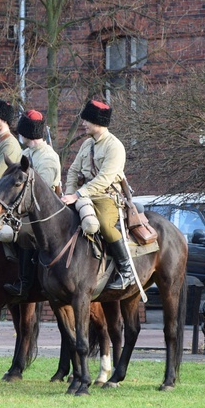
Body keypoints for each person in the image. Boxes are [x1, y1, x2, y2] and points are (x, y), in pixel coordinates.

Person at [62, 99, 133, 290]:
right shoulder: (87, 144)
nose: (83, 124)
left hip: (106, 197)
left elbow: (104, 179)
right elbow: (73, 171)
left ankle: (127, 271)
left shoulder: (114, 146)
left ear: (97, 122)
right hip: (83, 196)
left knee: (103, 225)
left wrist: (77, 195)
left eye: (86, 120)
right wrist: (68, 196)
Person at [4, 109, 62, 301]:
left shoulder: (47, 158)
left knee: (22, 232)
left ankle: (25, 282)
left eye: (21, 132)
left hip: (44, 212)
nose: (19, 135)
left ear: (28, 133)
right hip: (27, 209)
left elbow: (40, 195)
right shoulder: (27, 153)